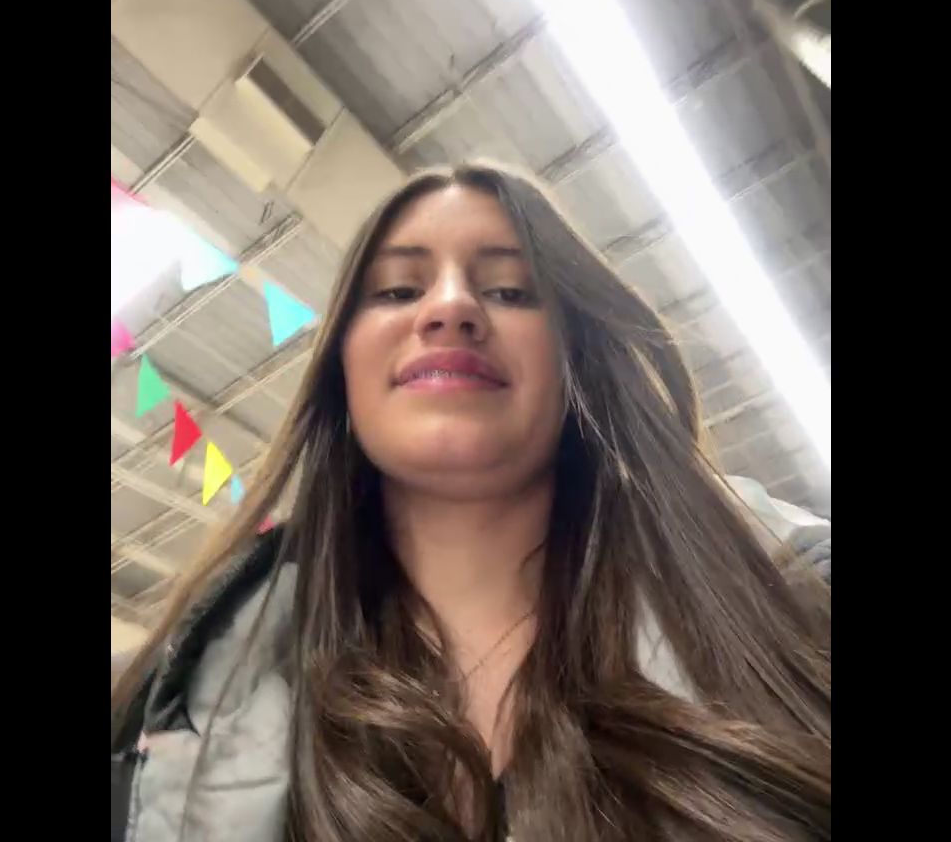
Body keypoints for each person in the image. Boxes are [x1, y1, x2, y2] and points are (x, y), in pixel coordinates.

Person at [111, 162, 830, 842]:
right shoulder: (159, 713)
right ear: (341, 369)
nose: (451, 306)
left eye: (511, 291)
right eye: (398, 291)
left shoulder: (794, 603)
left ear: (576, 361)